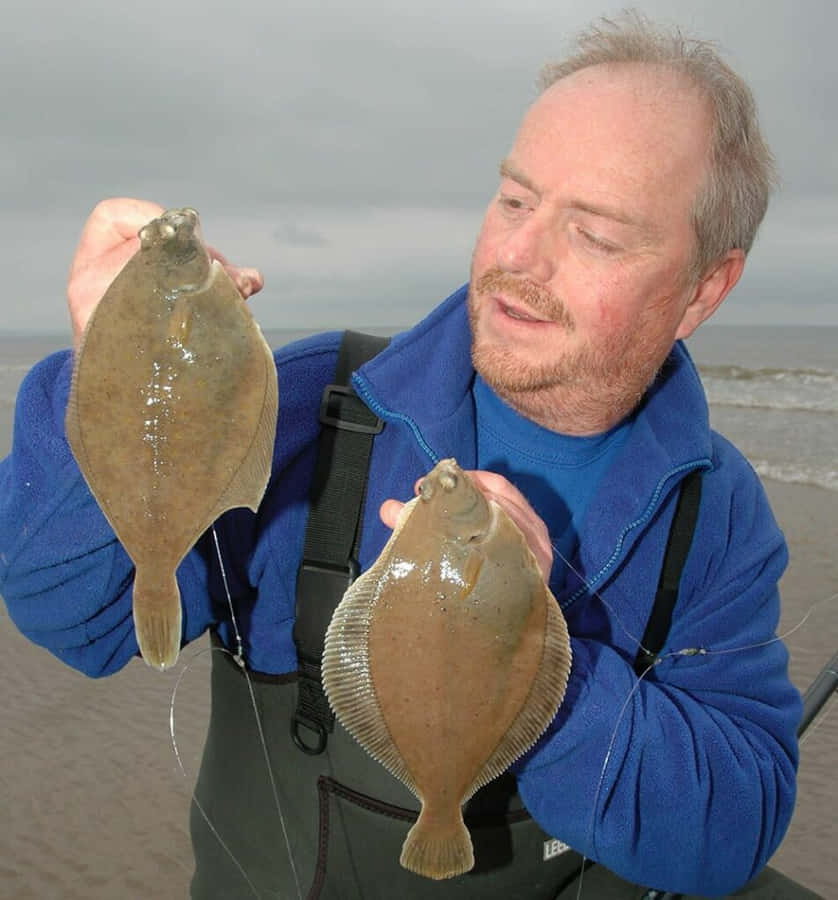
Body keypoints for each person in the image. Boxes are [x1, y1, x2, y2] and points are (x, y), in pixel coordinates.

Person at [0, 13, 820, 900]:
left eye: (596, 235)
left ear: (704, 289)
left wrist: (532, 658)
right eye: (515, 199)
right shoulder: (319, 410)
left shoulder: (714, 513)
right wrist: (109, 369)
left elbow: (731, 827)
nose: (519, 256)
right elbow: (74, 618)